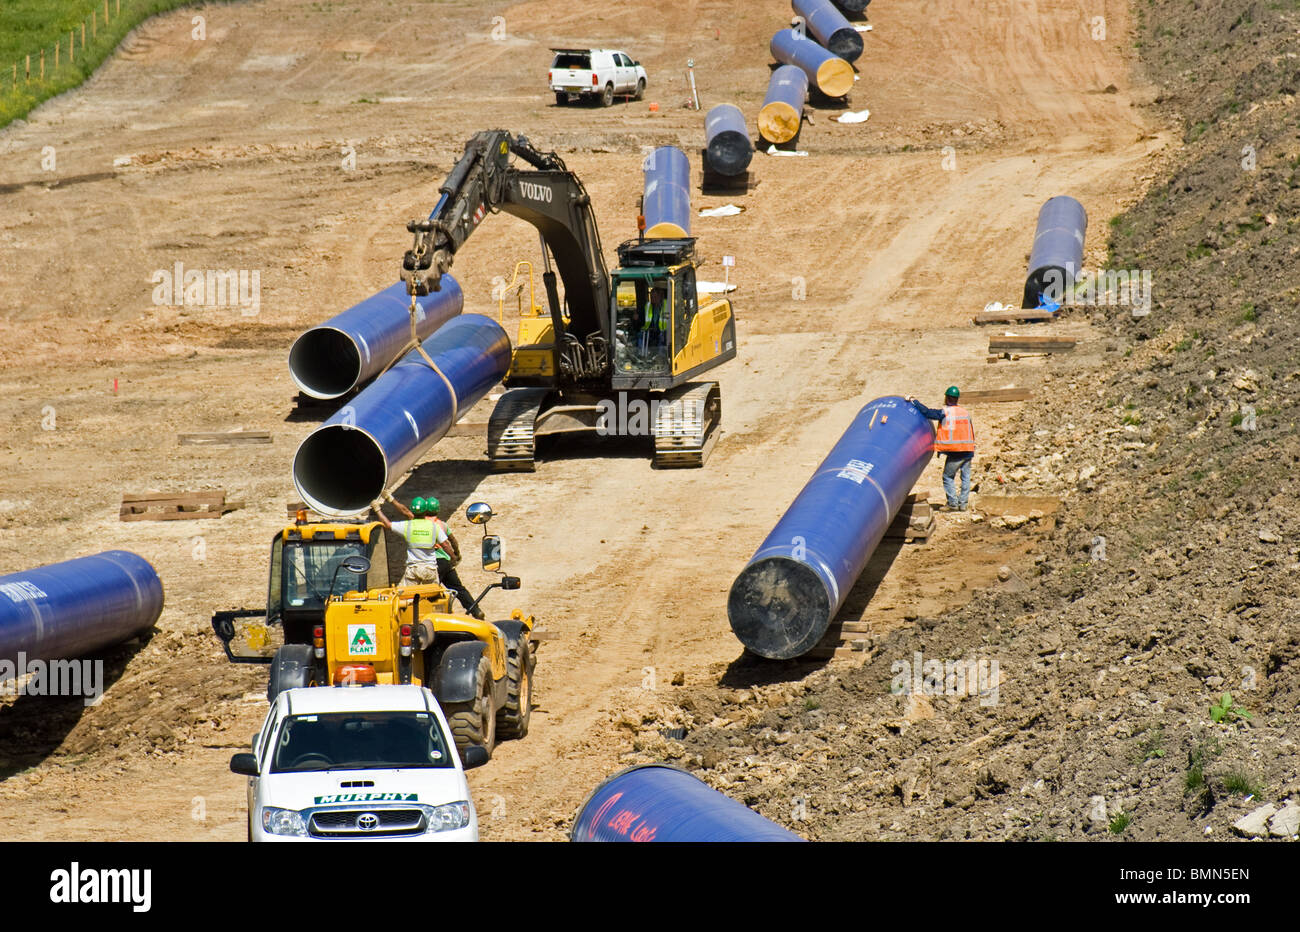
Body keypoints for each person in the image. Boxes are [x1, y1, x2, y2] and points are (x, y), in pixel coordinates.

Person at [373, 496, 484, 619]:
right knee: (453, 590)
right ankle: (474, 609)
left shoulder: (412, 523)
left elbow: (402, 512)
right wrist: (455, 556)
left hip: (418, 566)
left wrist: (388, 501)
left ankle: (411, 619)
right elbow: (450, 542)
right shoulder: (440, 525)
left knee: (411, 596)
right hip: (439, 563)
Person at [906, 386, 976, 511]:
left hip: (956, 452)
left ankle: (953, 504)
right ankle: (963, 504)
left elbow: (928, 413)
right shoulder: (965, 413)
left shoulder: (946, 412)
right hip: (968, 450)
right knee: (965, 478)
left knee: (948, 477)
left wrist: (914, 401)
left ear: (947, 398)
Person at [639, 284, 669, 356]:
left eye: (655, 297)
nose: (652, 299)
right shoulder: (648, 306)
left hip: (664, 331)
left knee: (662, 337)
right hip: (650, 330)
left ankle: (660, 356)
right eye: (651, 297)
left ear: (660, 297)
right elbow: (643, 318)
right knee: (640, 335)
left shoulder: (668, 304)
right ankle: (641, 355)